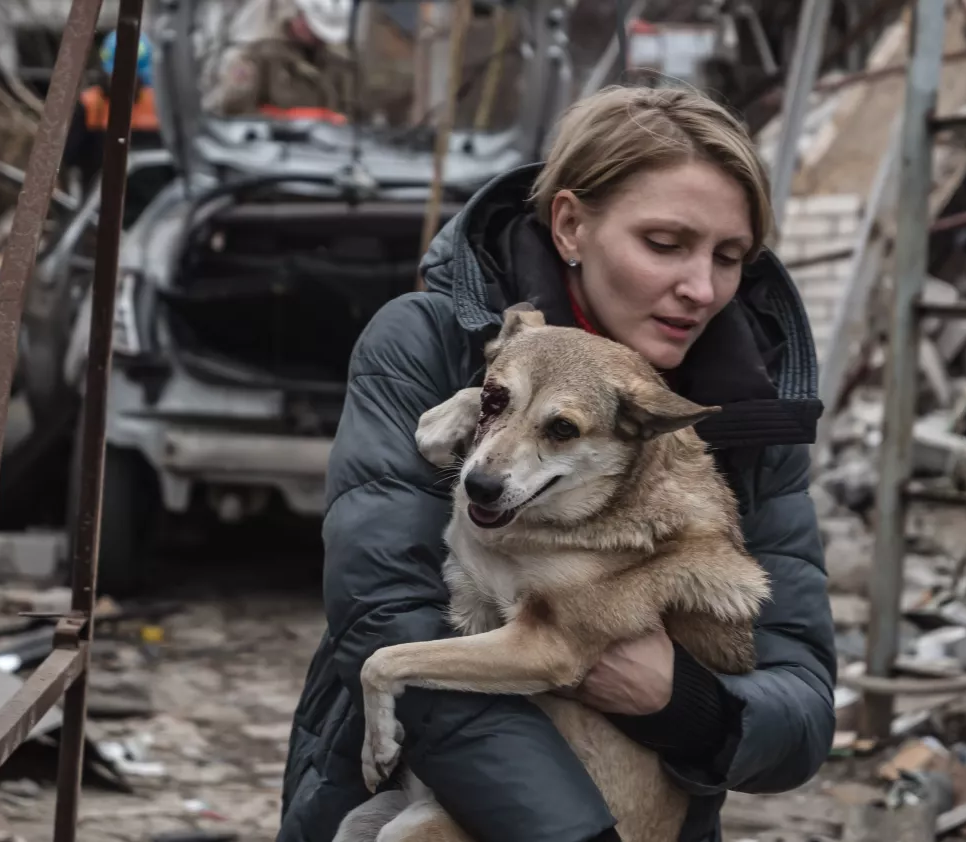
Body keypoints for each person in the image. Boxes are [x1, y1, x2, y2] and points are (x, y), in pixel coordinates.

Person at [276, 85, 838, 842]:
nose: (701, 289)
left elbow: (801, 708)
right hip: (424, 797)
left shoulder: (754, 410)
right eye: (665, 244)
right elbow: (384, 611)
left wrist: (686, 705)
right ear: (571, 224)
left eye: (729, 256)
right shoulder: (427, 344)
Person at [205, 0, 353, 120]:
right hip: (273, 152)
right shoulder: (259, 58)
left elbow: (358, 115)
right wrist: (286, 121)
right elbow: (232, 111)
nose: (320, 39)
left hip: (327, 154)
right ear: (300, 17)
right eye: (315, 31)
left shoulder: (338, 64)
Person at [62, 31, 163, 198]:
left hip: (149, 209)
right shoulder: (90, 105)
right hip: (99, 205)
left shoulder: (157, 105)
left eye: (133, 77)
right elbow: (69, 158)